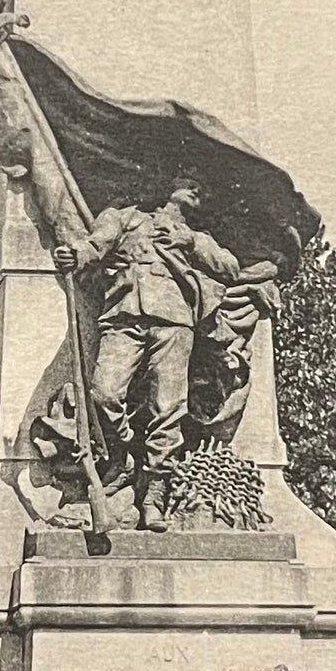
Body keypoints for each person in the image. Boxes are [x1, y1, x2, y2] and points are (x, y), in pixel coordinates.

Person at [54, 177, 240, 530]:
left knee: (169, 408)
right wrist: (75, 254)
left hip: (174, 322)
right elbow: (95, 245)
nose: (195, 188)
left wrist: (193, 242)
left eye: (201, 188)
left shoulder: (195, 236)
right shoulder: (126, 218)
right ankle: (125, 455)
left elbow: (229, 267)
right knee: (103, 393)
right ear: (167, 186)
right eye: (187, 182)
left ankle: (154, 491)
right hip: (124, 316)